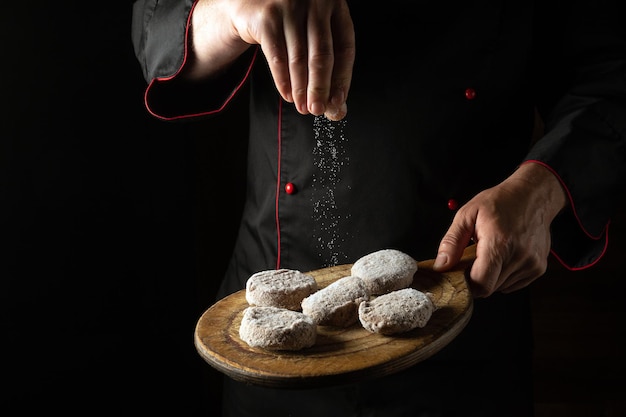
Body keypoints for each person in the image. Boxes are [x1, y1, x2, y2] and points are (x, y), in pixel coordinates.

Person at [131, 0, 626, 415]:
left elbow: (610, 74)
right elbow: (155, 22)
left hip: (464, 316)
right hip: (271, 337)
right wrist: (231, 9)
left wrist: (543, 188)